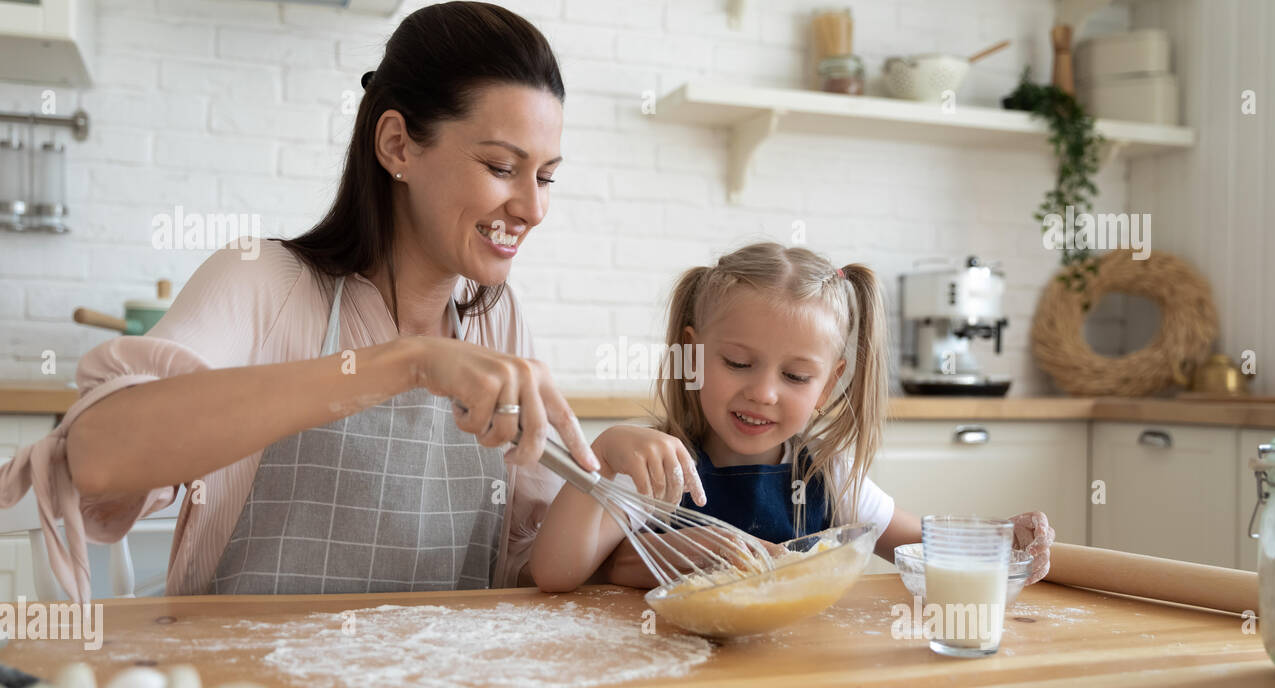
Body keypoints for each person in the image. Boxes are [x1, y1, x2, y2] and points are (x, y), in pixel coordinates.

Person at [0, 2, 602, 601]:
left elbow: (519, 567)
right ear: (396, 145)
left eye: (546, 177)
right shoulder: (265, 282)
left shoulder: (497, 315)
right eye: (502, 167)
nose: (533, 207)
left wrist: (608, 470)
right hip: (248, 685)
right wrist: (406, 363)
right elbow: (99, 453)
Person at [529, 243, 1054, 592]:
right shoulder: (656, 466)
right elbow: (554, 574)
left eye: (797, 377)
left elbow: (917, 546)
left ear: (829, 384)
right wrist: (600, 457)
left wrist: (1001, 539)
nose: (763, 393)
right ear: (691, 355)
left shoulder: (829, 473)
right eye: (737, 363)